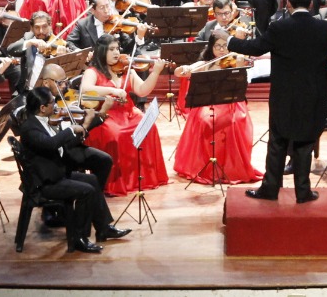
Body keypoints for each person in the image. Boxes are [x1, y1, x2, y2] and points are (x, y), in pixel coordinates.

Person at [216, 0, 327, 203]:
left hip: (283, 96)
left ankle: (270, 189)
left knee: (278, 142)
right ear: (311, 4)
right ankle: (303, 191)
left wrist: (229, 40)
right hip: (313, 95)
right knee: (305, 141)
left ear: (288, 4)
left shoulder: (278, 28)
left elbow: (255, 48)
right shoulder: (326, 29)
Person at [18, 86, 129, 254]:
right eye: (51, 103)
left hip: (54, 173)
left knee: (92, 181)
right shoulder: (30, 128)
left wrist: (83, 128)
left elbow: (60, 146)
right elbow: (51, 144)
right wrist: (71, 129)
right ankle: (79, 238)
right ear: (42, 108)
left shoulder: (42, 121)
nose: (55, 106)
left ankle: (103, 228)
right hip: (45, 182)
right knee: (87, 191)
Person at [78, 35, 171, 196]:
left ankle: (142, 178)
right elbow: (85, 89)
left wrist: (155, 72)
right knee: (116, 135)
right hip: (105, 115)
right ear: (101, 51)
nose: (116, 53)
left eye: (117, 48)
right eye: (111, 49)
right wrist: (112, 90)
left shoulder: (126, 70)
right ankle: (116, 181)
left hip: (128, 112)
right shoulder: (92, 72)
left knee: (149, 127)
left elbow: (142, 91)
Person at [171, 34, 262, 184]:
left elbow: (240, 83)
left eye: (225, 46)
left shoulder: (234, 62)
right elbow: (182, 71)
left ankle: (230, 167)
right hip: (208, 102)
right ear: (211, 48)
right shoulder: (206, 64)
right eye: (217, 46)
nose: (221, 50)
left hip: (231, 103)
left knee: (236, 120)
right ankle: (206, 165)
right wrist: (185, 68)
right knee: (204, 120)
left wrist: (239, 64)